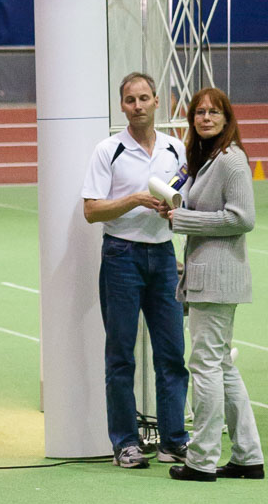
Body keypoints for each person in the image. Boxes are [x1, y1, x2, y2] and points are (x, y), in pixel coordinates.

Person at [82, 71, 189, 468]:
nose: (138, 106)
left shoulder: (176, 149)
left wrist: (172, 210)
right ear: (122, 105)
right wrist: (134, 200)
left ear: (158, 102)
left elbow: (186, 200)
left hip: (163, 258)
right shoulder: (108, 150)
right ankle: (125, 443)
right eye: (131, 100)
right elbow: (91, 210)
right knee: (121, 356)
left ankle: (174, 440)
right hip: (121, 257)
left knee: (172, 354)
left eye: (145, 98)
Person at [164, 88, 264, 482]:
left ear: (227, 118)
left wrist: (183, 222)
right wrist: (172, 208)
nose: (205, 118)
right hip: (208, 276)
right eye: (199, 112)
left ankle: (202, 459)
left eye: (213, 112)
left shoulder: (231, 160)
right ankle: (248, 455)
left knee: (204, 365)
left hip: (218, 279)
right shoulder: (205, 161)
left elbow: (243, 218)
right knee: (220, 366)